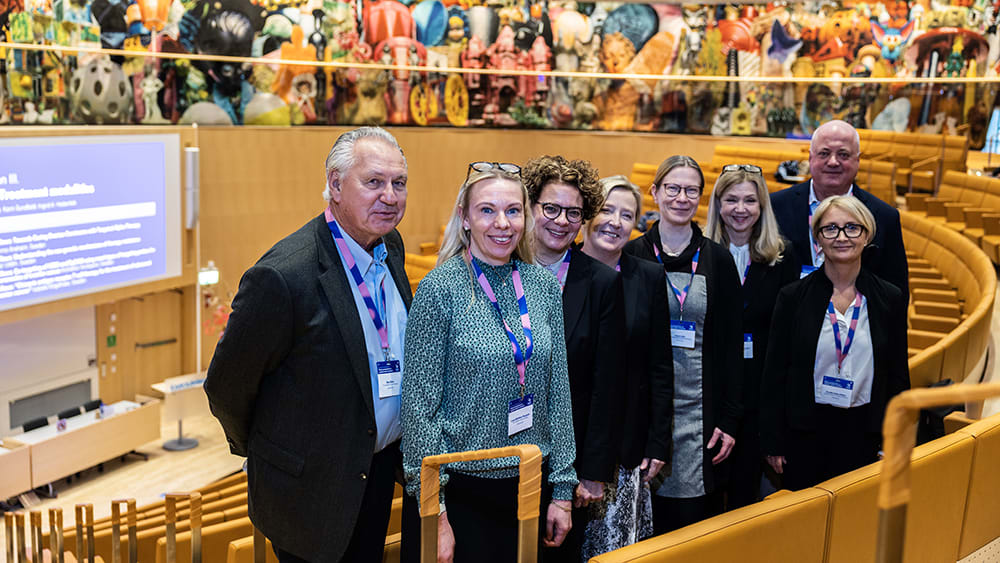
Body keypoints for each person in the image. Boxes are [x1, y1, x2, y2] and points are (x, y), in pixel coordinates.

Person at [204, 127, 410, 562]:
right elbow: (226, 387)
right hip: (309, 493)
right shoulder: (282, 277)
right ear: (335, 185)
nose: (389, 196)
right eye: (373, 182)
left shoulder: (390, 245)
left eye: (399, 183)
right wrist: (272, 454)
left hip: (371, 474)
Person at [399, 161, 576, 563]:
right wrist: (435, 512)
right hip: (461, 494)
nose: (503, 223)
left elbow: (558, 393)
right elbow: (418, 409)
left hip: (532, 485)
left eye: (513, 210)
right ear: (464, 217)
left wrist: (563, 490)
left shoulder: (543, 286)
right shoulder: (439, 289)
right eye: (487, 210)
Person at [623, 155, 743, 534]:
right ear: (655, 192)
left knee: (687, 527)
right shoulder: (631, 255)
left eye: (691, 190)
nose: (681, 197)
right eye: (672, 188)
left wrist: (729, 417)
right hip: (641, 412)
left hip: (698, 414)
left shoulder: (719, 260)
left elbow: (731, 348)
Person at [760, 196, 910, 491]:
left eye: (852, 228)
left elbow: (897, 375)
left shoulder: (888, 298)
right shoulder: (792, 297)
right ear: (818, 238)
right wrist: (773, 439)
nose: (841, 237)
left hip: (865, 432)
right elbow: (774, 373)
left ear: (866, 236)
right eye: (831, 229)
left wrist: (893, 438)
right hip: (804, 433)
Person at [522, 155, 626, 562]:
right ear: (530, 207)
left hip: (572, 459)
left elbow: (608, 384)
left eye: (574, 213)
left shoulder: (601, 283)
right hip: (503, 453)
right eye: (551, 208)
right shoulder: (501, 271)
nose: (561, 221)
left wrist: (594, 471)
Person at [579, 175, 673, 558]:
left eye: (627, 215)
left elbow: (660, 366)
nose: (615, 222)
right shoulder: (560, 272)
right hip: (569, 438)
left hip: (626, 443)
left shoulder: (648, 276)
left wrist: (657, 440)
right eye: (606, 209)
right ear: (587, 214)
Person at [704, 164, 799, 509]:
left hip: (761, 386)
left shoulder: (783, 256)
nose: (740, 209)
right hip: (715, 386)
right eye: (731, 199)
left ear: (762, 207)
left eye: (750, 200)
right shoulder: (700, 253)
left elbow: (788, 333)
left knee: (746, 488)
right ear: (718, 204)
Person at [770, 120, 908, 297]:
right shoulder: (775, 207)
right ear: (811, 158)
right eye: (824, 153)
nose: (833, 162)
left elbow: (897, 292)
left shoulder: (884, 216)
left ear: (857, 161)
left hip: (857, 321)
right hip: (790, 321)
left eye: (843, 155)